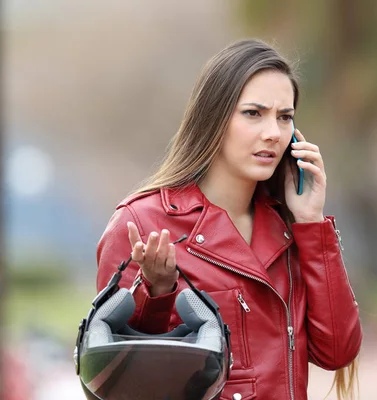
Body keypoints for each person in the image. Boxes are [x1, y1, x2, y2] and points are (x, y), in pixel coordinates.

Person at [96, 38, 362, 400]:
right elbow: (114, 377)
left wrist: (311, 225)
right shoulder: (142, 223)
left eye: (284, 117)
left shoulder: (290, 227)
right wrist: (157, 293)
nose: (273, 132)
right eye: (254, 113)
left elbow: (337, 351)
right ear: (215, 118)